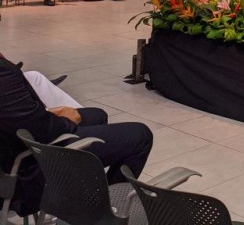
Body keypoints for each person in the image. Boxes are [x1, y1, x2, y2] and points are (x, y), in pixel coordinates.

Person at [0, 55, 153, 218]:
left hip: (16, 146)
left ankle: (91, 199)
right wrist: (67, 120)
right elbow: (42, 131)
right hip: (25, 171)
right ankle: (105, 215)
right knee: (140, 136)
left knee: (97, 116)